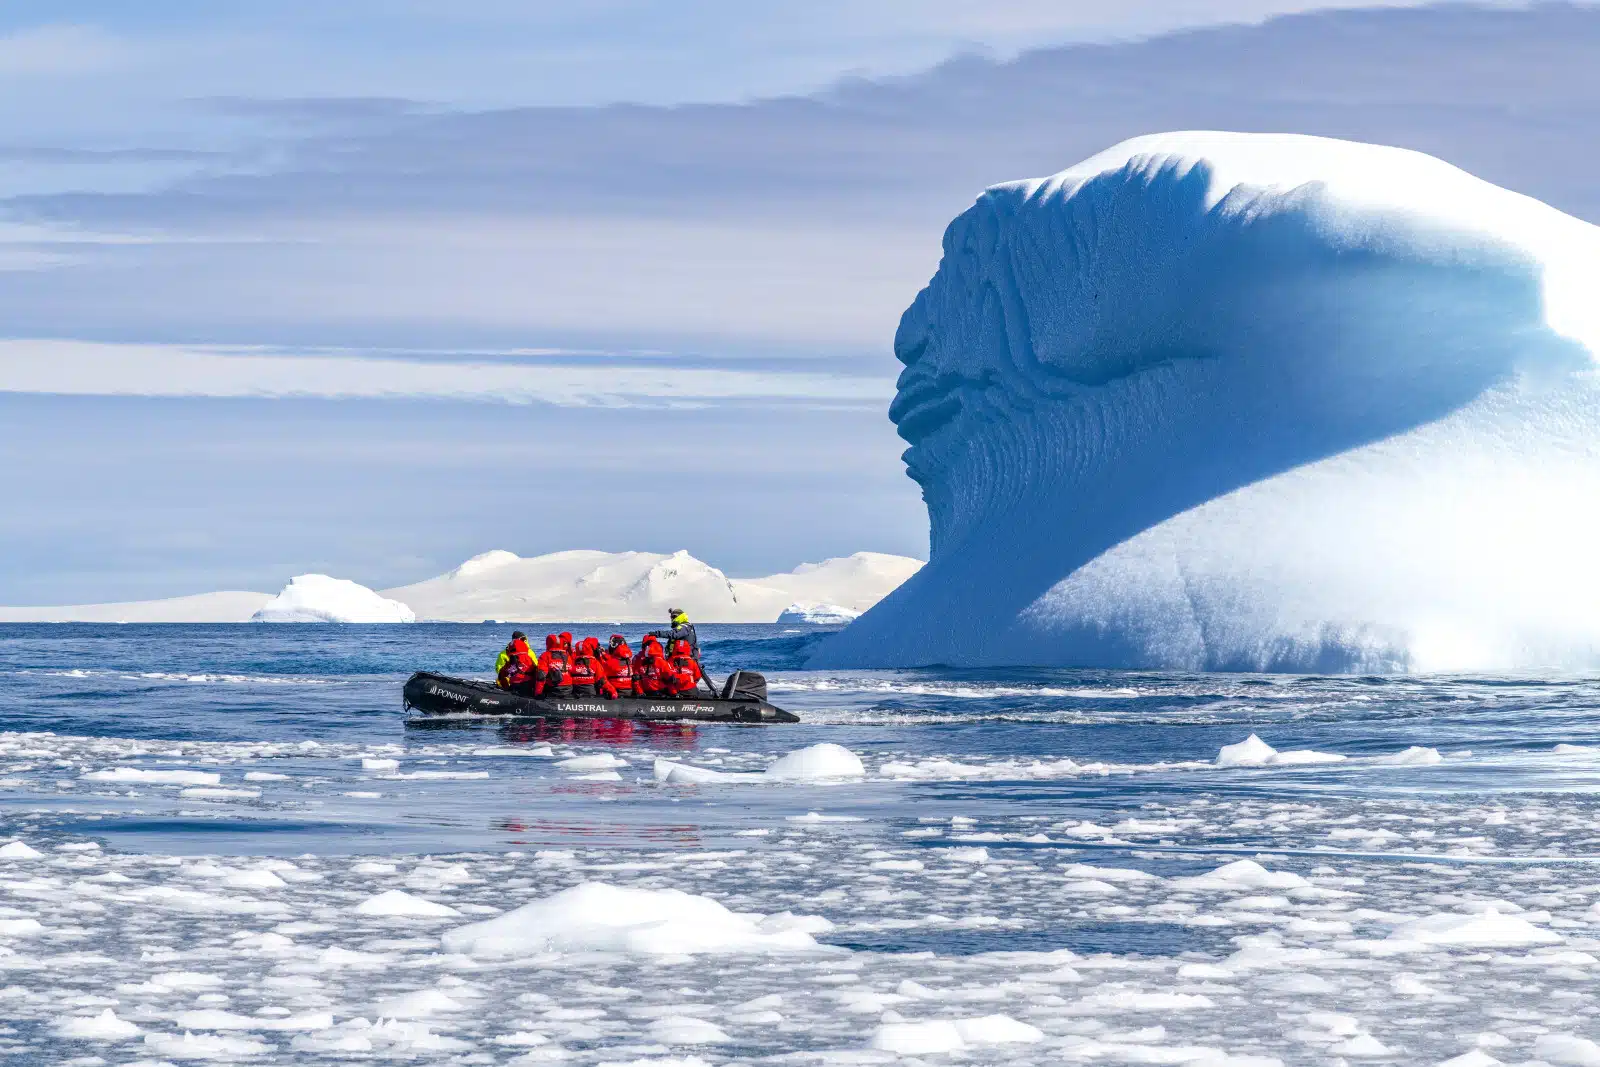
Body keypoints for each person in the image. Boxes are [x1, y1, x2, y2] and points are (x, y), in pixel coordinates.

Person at [535, 633, 573, 698]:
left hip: (553, 689)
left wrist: (538, 693)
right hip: (568, 688)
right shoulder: (568, 656)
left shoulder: (545, 656)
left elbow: (541, 676)